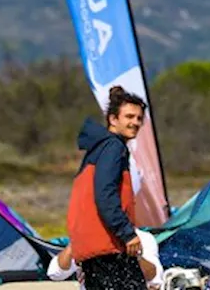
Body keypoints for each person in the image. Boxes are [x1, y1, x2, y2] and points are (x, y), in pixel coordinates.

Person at [67, 86, 149, 290]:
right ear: (113, 120)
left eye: (139, 118)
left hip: (93, 247)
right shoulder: (113, 147)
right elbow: (105, 194)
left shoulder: (100, 147)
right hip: (107, 245)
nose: (135, 123)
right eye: (129, 117)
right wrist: (127, 233)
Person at [47, 230, 163, 290]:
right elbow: (55, 273)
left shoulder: (142, 238)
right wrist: (74, 244)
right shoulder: (86, 238)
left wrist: (137, 255)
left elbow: (155, 280)